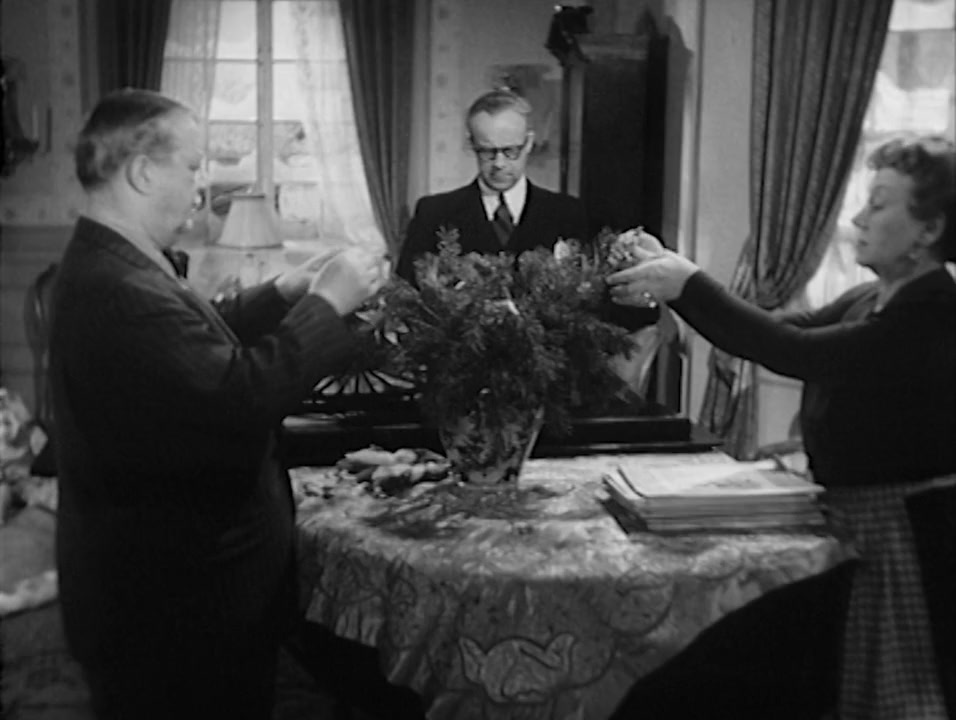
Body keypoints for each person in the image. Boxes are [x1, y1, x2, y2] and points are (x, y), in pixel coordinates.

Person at [49, 88, 386, 719]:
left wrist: (284, 291)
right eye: (192, 166)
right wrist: (327, 304)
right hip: (176, 608)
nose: (200, 186)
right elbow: (241, 396)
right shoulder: (120, 287)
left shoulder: (112, 258)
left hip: (166, 593)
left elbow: (192, 338)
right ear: (143, 172)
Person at [607, 135, 956, 720]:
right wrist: (677, 278)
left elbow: (792, 350)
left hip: (902, 546)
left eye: (878, 205)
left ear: (929, 230)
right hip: (856, 532)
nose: (857, 218)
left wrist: (686, 283)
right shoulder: (873, 297)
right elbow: (779, 332)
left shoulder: (932, 315)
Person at [396, 89, 588, 281]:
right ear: (472, 144)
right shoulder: (434, 214)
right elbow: (404, 291)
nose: (499, 163)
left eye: (510, 151)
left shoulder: (568, 213)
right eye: (487, 151)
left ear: (529, 143)